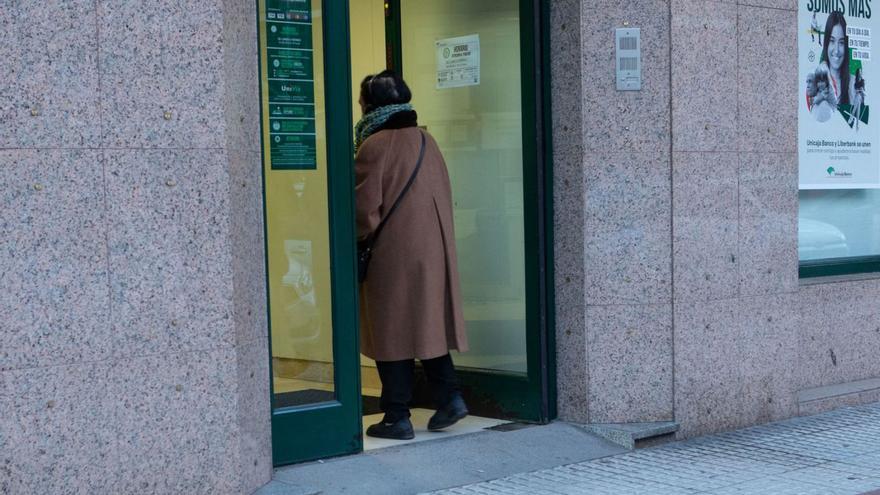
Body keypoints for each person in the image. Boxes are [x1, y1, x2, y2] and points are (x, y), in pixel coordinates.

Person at [354, 70, 469, 440]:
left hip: (394, 254)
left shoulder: (374, 144)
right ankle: (450, 398)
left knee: (392, 331)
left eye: (361, 100)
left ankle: (396, 416)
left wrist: (349, 239)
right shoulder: (426, 139)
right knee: (426, 325)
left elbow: (364, 210)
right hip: (432, 251)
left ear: (370, 103)